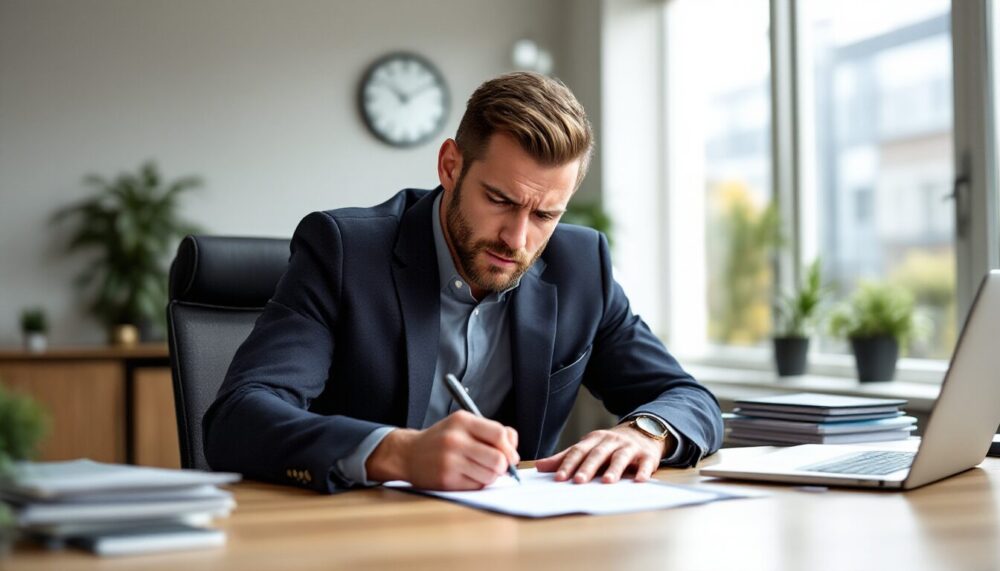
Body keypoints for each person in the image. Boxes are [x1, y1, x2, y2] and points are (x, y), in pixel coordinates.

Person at [203, 72, 723, 493]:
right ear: (450, 165)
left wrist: (647, 433)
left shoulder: (581, 264)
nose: (517, 239)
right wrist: (398, 451)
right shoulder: (343, 251)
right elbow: (238, 419)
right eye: (499, 200)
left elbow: (685, 396)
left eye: (545, 214)